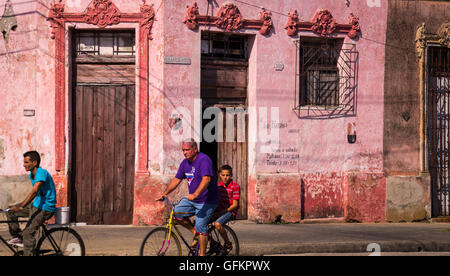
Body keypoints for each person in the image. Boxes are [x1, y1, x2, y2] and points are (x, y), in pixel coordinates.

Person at [159, 139, 218, 256]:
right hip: (193, 200)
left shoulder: (204, 160)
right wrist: (165, 193)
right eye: (183, 150)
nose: (184, 152)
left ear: (195, 149)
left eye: (187, 150)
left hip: (207, 200)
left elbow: (206, 179)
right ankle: (195, 232)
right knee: (176, 214)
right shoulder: (185, 163)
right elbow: (177, 179)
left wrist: (195, 194)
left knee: (201, 226)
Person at [6, 151, 56, 256]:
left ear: (34, 162)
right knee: (10, 211)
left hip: (46, 208)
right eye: (24, 162)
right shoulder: (31, 175)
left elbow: (34, 191)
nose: (24, 165)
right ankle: (17, 237)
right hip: (36, 205)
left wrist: (21, 206)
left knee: (28, 234)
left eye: (26, 162)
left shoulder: (41, 173)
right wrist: (18, 207)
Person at [213, 165, 240, 253]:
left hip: (229, 211)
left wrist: (221, 212)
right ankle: (213, 244)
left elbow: (235, 205)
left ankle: (227, 243)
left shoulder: (235, 186)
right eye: (223, 175)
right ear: (220, 175)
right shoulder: (218, 186)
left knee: (217, 224)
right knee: (201, 226)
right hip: (219, 211)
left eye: (227, 175)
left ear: (231, 175)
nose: (225, 177)